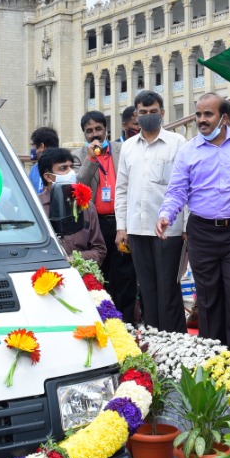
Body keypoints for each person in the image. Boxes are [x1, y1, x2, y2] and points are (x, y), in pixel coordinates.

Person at [157, 93, 230, 353]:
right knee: (208, 300)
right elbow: (177, 192)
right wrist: (166, 215)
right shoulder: (188, 151)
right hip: (202, 233)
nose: (201, 120)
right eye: (198, 114)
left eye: (208, 114)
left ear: (226, 119)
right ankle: (213, 358)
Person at [116, 91, 188, 334]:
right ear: (136, 115)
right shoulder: (127, 148)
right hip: (137, 228)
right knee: (147, 289)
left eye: (153, 112)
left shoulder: (177, 143)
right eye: (143, 113)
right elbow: (122, 189)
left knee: (168, 289)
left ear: (163, 113)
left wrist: (186, 226)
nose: (148, 116)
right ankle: (156, 342)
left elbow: (185, 187)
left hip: (169, 229)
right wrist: (121, 227)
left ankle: (176, 341)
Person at [74, 111, 137, 320]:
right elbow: (78, 186)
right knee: (102, 275)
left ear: (106, 129)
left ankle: (127, 322)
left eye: (98, 129)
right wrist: (91, 159)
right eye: (89, 131)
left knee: (125, 275)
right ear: (84, 134)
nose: (95, 134)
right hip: (96, 226)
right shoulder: (78, 156)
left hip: (121, 223)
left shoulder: (123, 149)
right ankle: (106, 321)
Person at [36, 147, 106, 264]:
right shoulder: (36, 207)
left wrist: (75, 259)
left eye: (71, 167)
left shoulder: (87, 206)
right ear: (48, 177)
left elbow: (100, 250)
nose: (71, 172)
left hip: (81, 273)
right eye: (63, 168)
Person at [27, 127, 59, 194]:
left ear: (41, 146)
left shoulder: (60, 169)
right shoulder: (34, 169)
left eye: (33, 145)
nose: (32, 149)